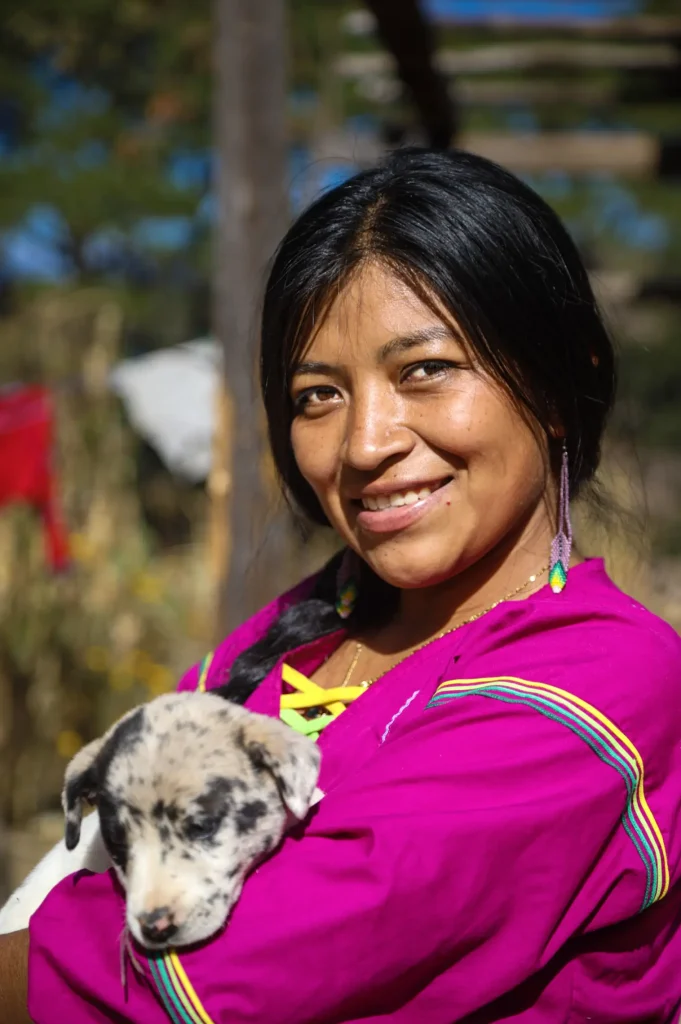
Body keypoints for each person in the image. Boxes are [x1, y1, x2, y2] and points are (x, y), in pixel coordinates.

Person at [1, 148, 680, 1023]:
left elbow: (244, 970)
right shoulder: (295, 634)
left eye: (424, 371)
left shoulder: (605, 678)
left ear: (559, 380)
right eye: (318, 395)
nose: (364, 443)